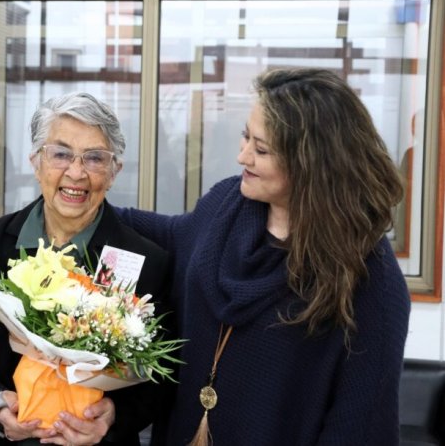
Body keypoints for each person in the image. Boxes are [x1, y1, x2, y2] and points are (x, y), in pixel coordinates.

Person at [118, 67, 411, 446]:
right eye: (245, 137)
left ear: (312, 162)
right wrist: (87, 208)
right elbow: (175, 235)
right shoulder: (227, 203)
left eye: (261, 149)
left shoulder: (371, 282)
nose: (242, 156)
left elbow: (360, 427)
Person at [0, 92, 172, 445]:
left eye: (94, 158)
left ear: (114, 171)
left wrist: (112, 416)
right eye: (60, 154)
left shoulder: (143, 260)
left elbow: (159, 381)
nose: (76, 173)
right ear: (36, 162)